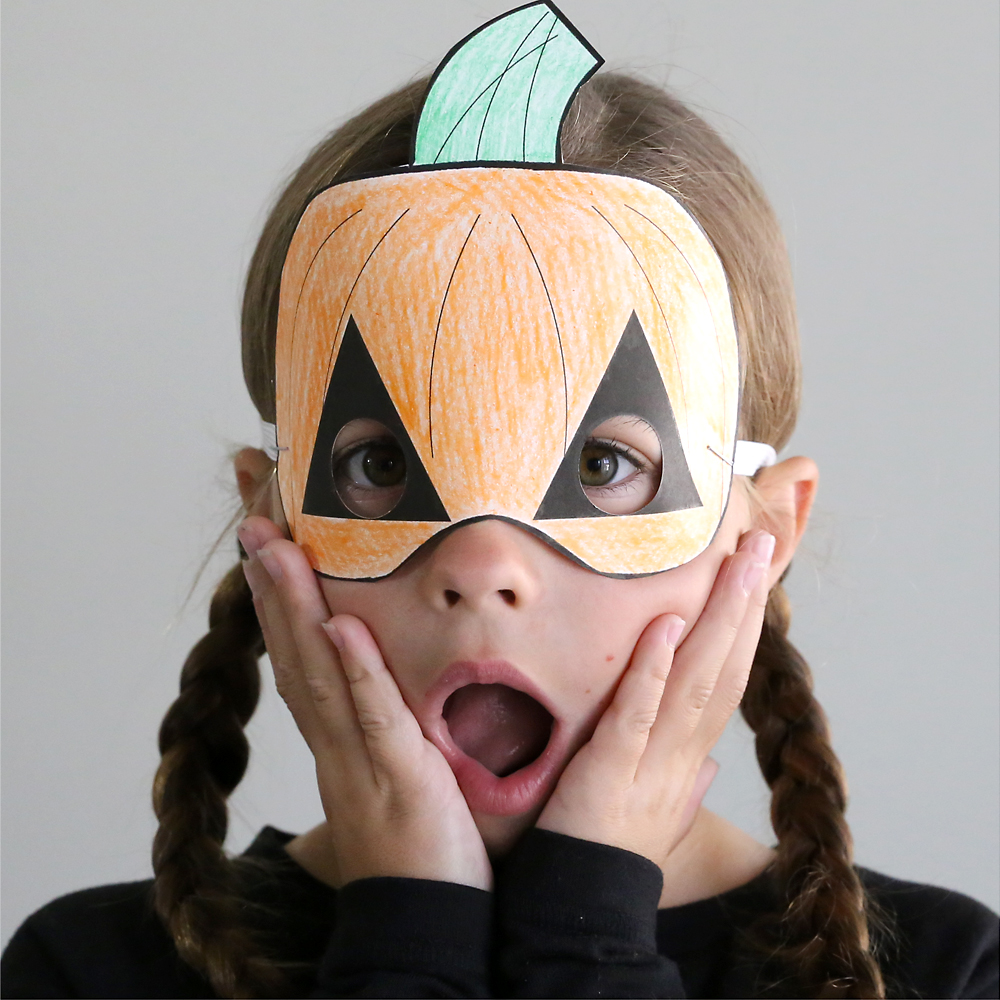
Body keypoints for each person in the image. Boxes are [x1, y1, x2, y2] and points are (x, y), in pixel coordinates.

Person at [3, 5, 997, 998]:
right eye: (378, 468)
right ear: (271, 526)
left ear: (763, 533)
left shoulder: (953, 972)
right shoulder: (86, 972)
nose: (481, 566)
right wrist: (411, 918)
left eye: (607, 468)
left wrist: (585, 930)